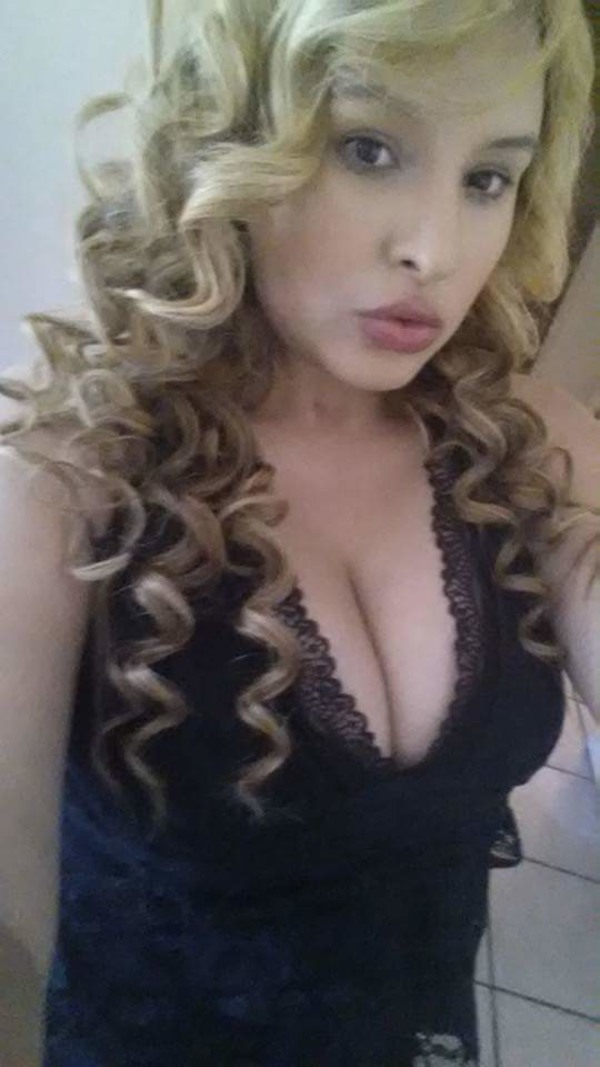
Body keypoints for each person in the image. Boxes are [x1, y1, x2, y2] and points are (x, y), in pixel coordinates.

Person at [1, 1, 599, 1064]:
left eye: (487, 178)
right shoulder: (65, 479)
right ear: (230, 137)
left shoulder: (531, 441)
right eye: (368, 149)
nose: (434, 251)